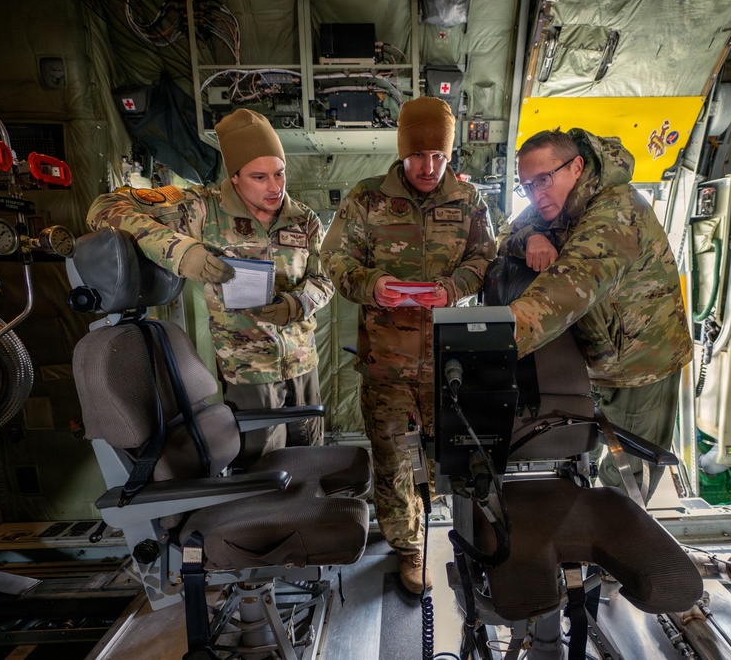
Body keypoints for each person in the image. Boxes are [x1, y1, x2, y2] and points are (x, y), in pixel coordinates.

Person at [321, 96, 496, 594]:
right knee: (394, 461)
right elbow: (335, 260)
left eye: (439, 156)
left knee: (461, 456)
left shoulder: (469, 200)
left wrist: (455, 286)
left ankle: (465, 540)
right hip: (388, 361)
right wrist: (373, 285)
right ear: (402, 152)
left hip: (450, 361)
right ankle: (410, 549)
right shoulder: (368, 197)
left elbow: (486, 256)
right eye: (419, 155)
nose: (429, 166)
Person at [87, 109, 333, 463]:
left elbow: (324, 279)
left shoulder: (304, 219)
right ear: (234, 177)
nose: (275, 187)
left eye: (279, 174)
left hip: (302, 364)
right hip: (247, 371)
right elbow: (104, 207)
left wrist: (297, 303)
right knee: (262, 468)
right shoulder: (200, 209)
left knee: (311, 460)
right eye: (259, 177)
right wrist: (181, 251)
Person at [500, 127, 691, 501]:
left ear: (576, 167)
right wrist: (532, 239)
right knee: (592, 451)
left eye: (543, 180)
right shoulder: (559, 204)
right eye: (527, 187)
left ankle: (620, 545)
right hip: (598, 356)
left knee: (628, 478)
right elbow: (508, 233)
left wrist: (494, 344)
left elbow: (568, 288)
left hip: (642, 363)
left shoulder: (618, 212)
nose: (536, 195)